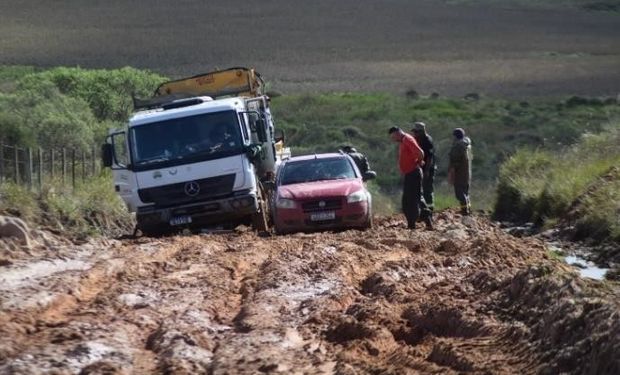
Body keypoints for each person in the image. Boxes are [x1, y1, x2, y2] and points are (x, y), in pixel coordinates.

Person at [389, 126, 433, 230]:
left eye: (393, 137)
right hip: (409, 174)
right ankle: (415, 222)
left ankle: (418, 223)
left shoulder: (407, 139)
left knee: (413, 199)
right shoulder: (403, 141)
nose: (393, 139)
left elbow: (420, 153)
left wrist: (417, 162)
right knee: (411, 199)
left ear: (397, 133)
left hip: (413, 173)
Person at [411, 122, 436, 211]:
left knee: (427, 189)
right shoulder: (417, 139)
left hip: (428, 168)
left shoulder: (427, 141)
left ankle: (429, 209)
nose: (415, 134)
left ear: (421, 131)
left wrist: (427, 171)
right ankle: (421, 208)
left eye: (416, 132)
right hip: (419, 168)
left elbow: (429, 157)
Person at [448, 127, 473, 215]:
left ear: (455, 136)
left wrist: (451, 174)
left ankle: (464, 211)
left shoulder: (457, 146)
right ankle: (468, 209)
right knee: (466, 192)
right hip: (467, 172)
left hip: (460, 173)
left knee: (460, 193)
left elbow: (454, 162)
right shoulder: (468, 145)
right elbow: (470, 158)